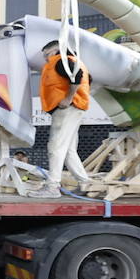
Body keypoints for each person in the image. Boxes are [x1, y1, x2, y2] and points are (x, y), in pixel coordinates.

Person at [29, 39, 92, 199]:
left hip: (67, 109)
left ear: (55, 51)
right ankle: (85, 183)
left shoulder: (61, 61)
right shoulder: (75, 61)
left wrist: (68, 98)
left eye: (46, 55)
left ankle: (52, 187)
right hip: (75, 108)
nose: (45, 59)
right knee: (69, 150)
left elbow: (76, 76)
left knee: (56, 147)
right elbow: (87, 78)